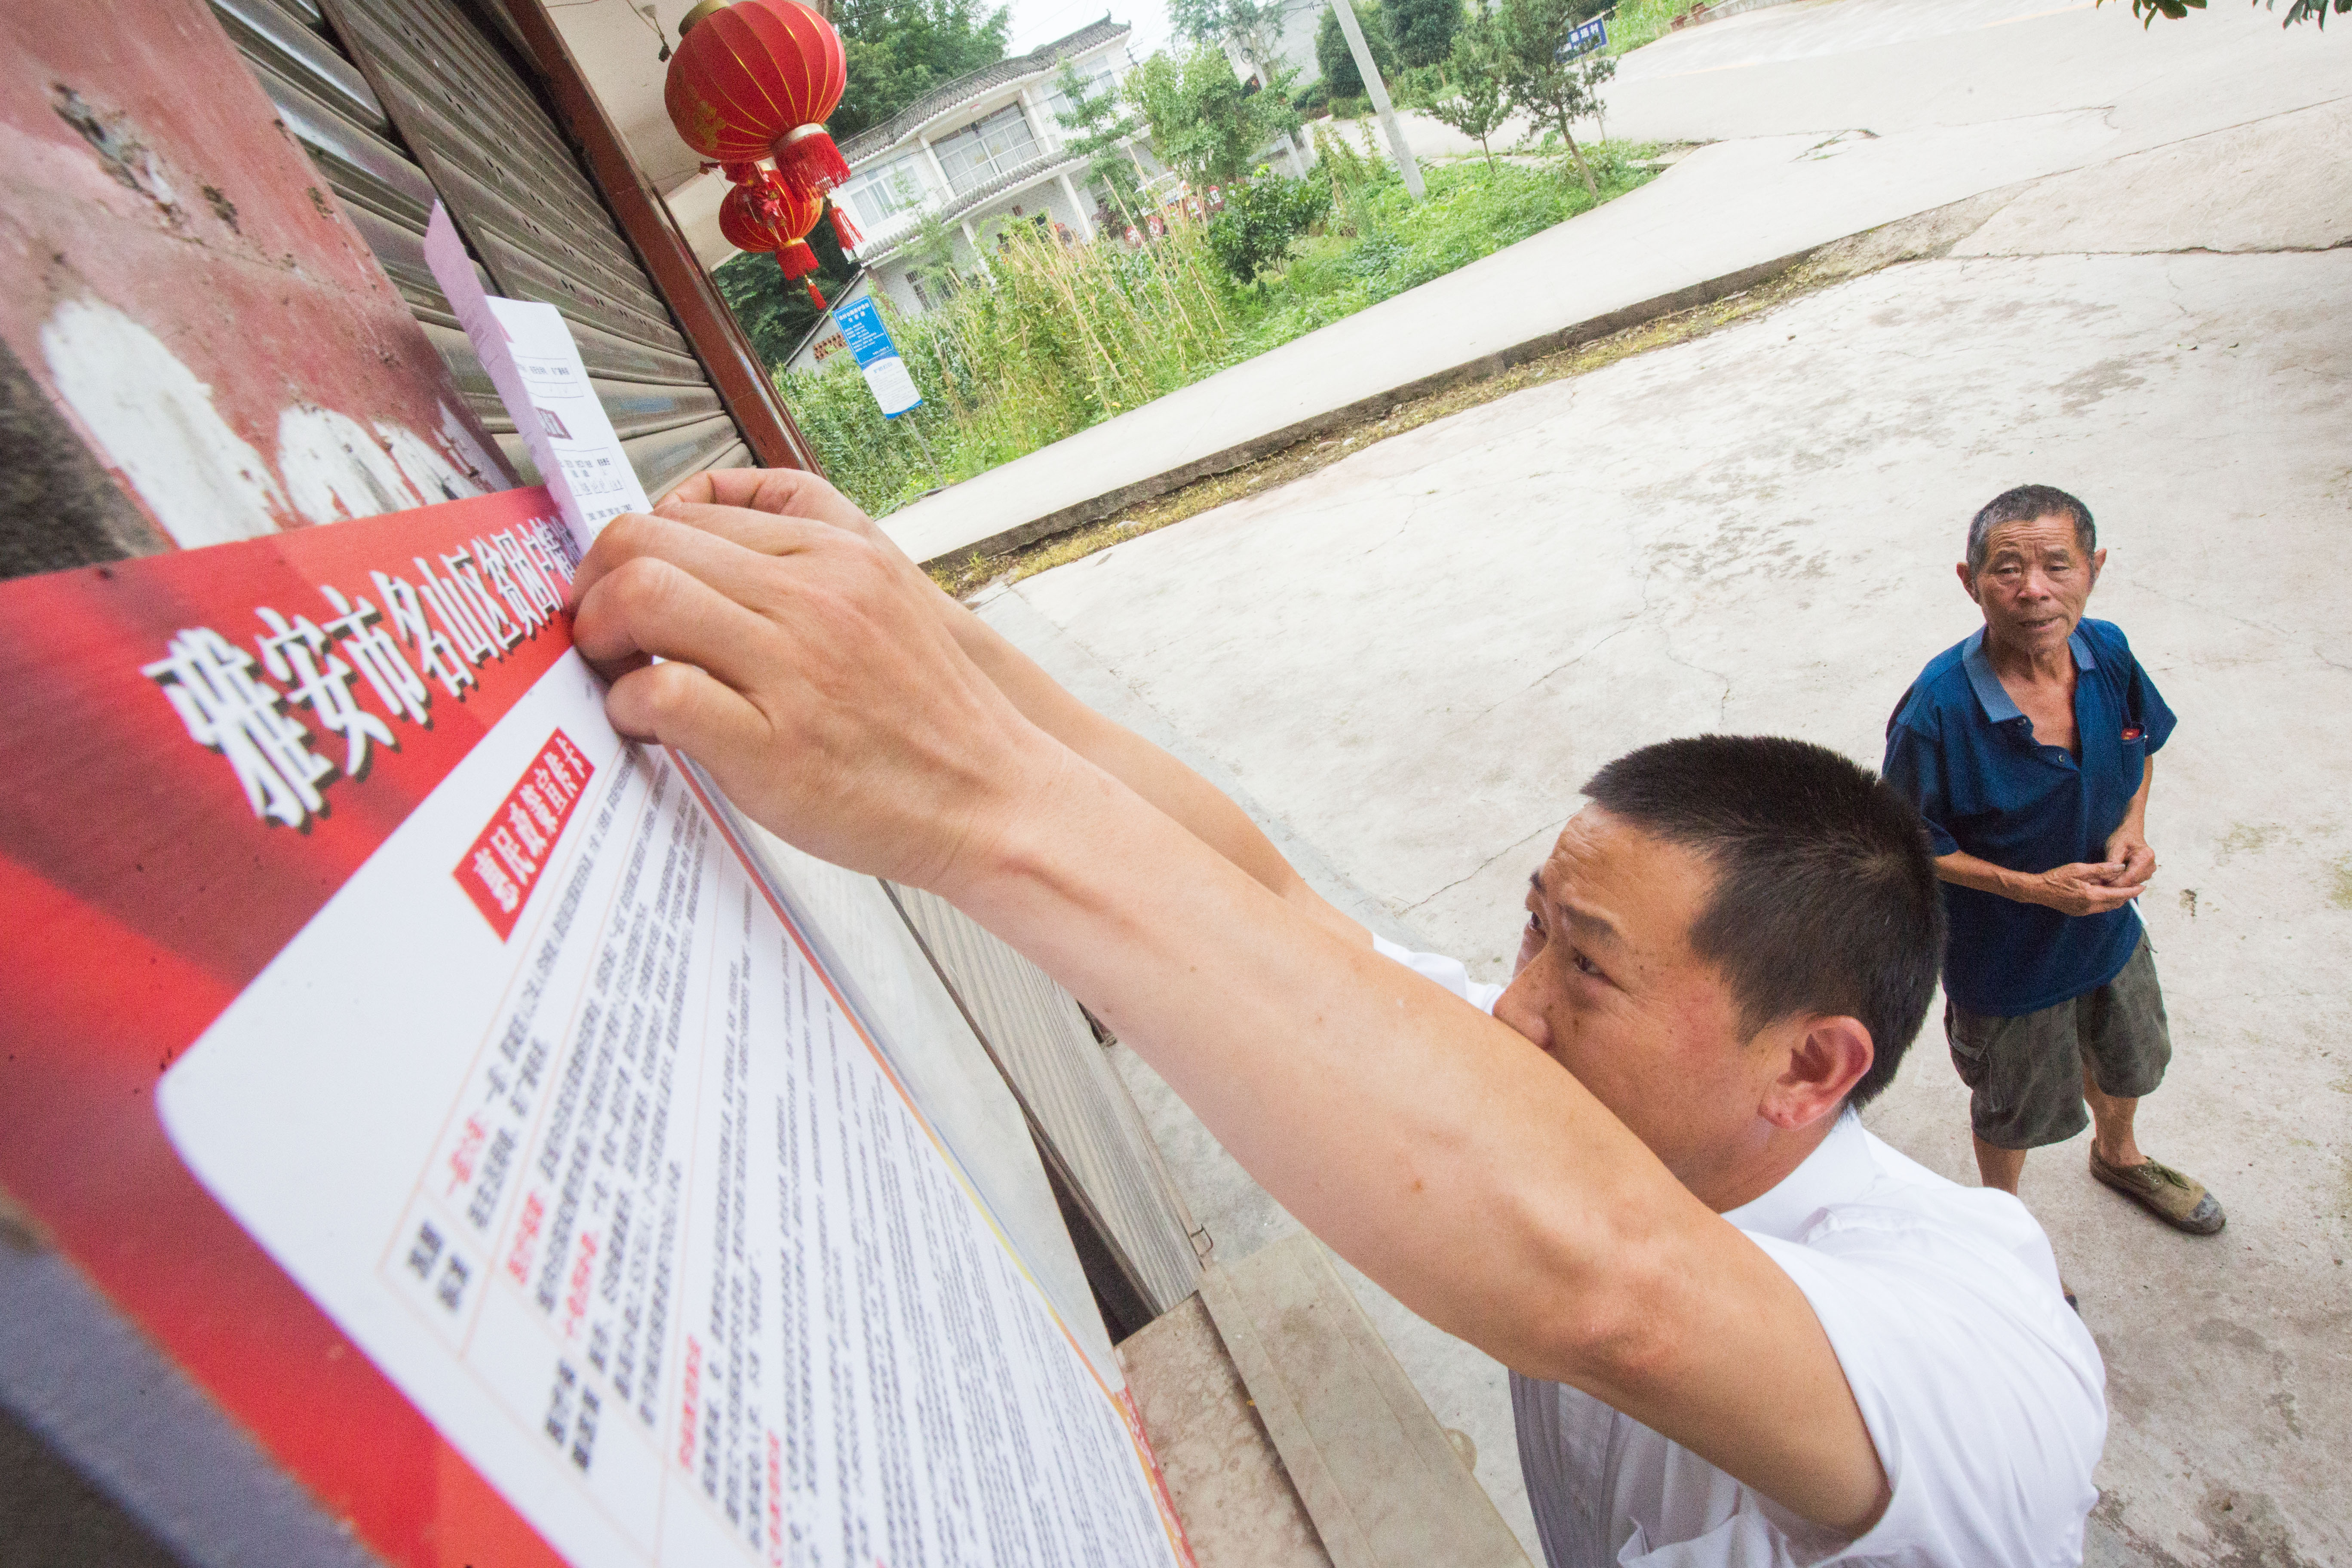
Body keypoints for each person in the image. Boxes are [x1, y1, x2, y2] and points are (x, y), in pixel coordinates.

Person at [567, 469, 2106, 1567]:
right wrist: (934, 634)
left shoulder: (1983, 1331)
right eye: (1531, 930)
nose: (1511, 1012)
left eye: (1586, 966)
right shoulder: (1544, 1099)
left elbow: (1617, 1285)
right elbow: (1276, 906)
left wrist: (969, 799)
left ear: (1811, 1065)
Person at [1882, 485, 2223, 1264]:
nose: (2033, 589)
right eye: (2006, 569)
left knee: (2127, 1058)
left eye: (2056, 566)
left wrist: (2130, 828)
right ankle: (2003, 1235)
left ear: (2093, 570)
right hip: (2003, 962)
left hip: (2108, 932)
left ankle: (2119, 1157)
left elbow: (2138, 753)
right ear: (1969, 583)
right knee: (2012, 1108)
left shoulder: (2108, 654)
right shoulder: (1934, 712)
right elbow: (1906, 843)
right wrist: (2033, 890)